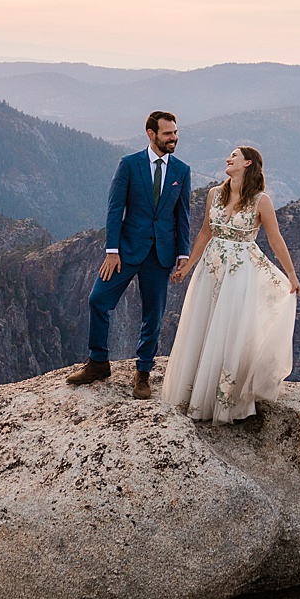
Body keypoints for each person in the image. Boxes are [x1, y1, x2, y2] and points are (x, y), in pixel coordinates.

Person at [162, 144, 300, 422]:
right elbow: (204, 233)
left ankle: (221, 401)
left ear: (247, 164)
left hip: (239, 275)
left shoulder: (261, 201)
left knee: (229, 332)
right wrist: (187, 266)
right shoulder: (215, 194)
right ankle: (193, 395)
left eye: (234, 156)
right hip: (210, 270)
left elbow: (275, 240)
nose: (228, 158)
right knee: (203, 325)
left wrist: (292, 274)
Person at [69, 111, 191, 399]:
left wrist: (183, 254)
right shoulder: (129, 165)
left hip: (161, 254)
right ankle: (98, 362)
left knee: (153, 314)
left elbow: (182, 215)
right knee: (98, 300)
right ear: (151, 134)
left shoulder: (181, 171)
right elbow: (114, 208)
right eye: (167, 134)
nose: (173, 138)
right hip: (125, 252)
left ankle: (143, 373)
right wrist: (112, 251)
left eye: (175, 132)